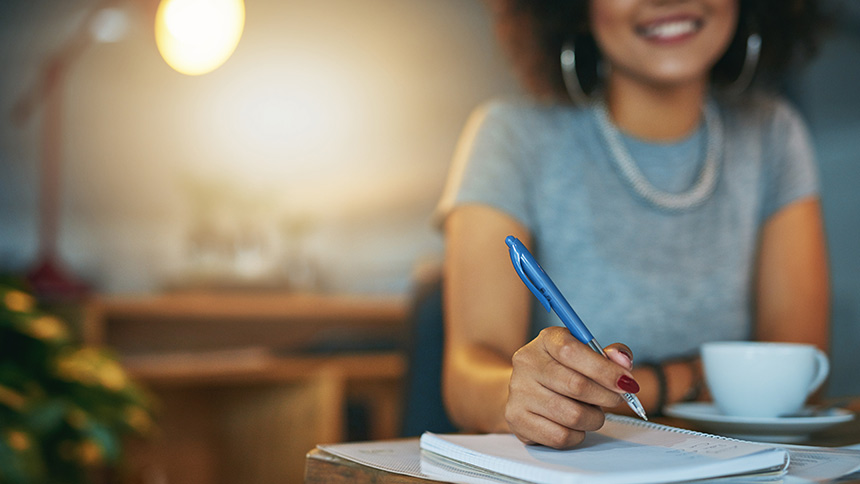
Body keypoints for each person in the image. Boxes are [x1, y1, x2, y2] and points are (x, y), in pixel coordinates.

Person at [435, 0, 830, 449]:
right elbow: (467, 375)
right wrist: (524, 394)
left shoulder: (774, 134)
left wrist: (650, 382)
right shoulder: (510, 136)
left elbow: (801, 371)